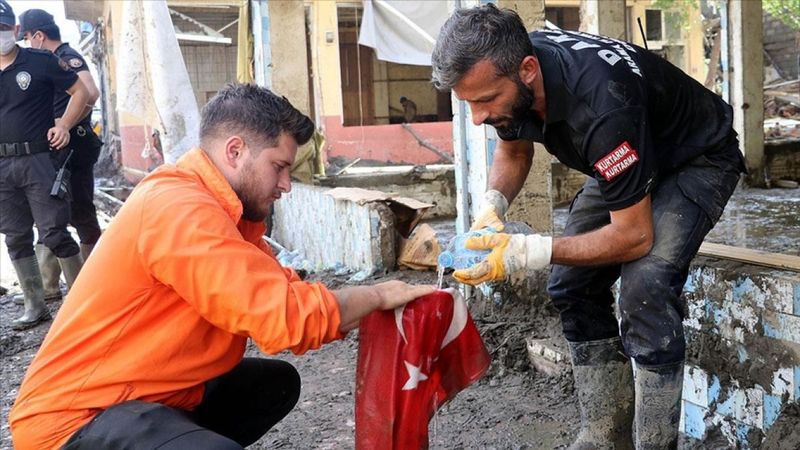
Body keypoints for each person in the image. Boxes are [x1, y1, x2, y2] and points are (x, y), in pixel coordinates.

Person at [10, 83, 436, 450]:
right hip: (72, 422)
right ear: (235, 151)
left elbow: (282, 293)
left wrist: (367, 311)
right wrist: (377, 294)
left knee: (273, 385)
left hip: (140, 393)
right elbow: (280, 316)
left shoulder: (226, 212)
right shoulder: (179, 208)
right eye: (280, 167)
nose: (286, 185)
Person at [431, 5, 743, 449]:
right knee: (570, 285)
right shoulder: (510, 67)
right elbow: (514, 150)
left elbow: (635, 236)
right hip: (630, 154)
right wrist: (492, 206)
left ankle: (655, 444)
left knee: (645, 289)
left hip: (696, 157)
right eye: (469, 103)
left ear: (527, 71)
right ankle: (603, 434)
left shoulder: (601, 105)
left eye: (485, 101)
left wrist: (526, 251)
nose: (478, 117)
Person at [0, 0, 89, 330]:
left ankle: (82, 303)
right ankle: (35, 305)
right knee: (15, 236)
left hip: (38, 159)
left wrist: (64, 124)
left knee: (54, 231)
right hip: (2, 165)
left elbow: (80, 91)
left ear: (16, 30)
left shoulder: (39, 61)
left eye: (3, 28)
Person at [12, 9, 102, 303]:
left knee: (78, 212)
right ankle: (49, 284)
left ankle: (93, 279)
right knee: (51, 214)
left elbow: (89, 92)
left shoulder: (65, 55)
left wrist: (64, 124)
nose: (23, 45)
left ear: (38, 35)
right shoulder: (42, 63)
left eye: (25, 37)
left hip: (73, 147)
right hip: (58, 149)